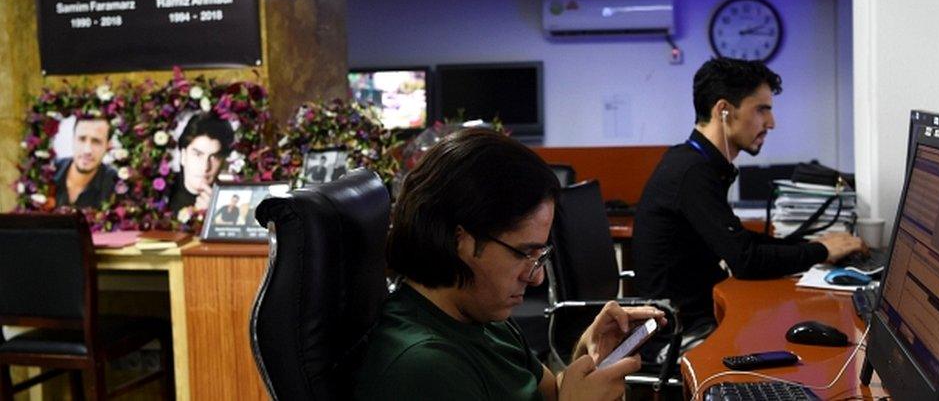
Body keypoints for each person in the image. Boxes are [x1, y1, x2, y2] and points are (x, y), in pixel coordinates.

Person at [354, 128, 666, 400]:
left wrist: (588, 360)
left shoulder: (484, 315)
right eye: (523, 253)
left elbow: (548, 394)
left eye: (540, 254)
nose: (537, 278)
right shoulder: (423, 367)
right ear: (459, 240)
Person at [632, 58, 866, 333]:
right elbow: (745, 260)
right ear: (724, 110)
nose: (771, 122)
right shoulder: (692, 172)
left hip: (699, 313)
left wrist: (812, 245)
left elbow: (739, 240)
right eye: (761, 110)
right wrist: (821, 250)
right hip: (678, 332)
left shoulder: (697, 163)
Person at [168, 112, 234, 214]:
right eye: (198, 154)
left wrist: (213, 215)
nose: (205, 167)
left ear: (223, 162)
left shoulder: (230, 199)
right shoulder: (161, 193)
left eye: (214, 157)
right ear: (183, 156)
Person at [53, 116, 118, 207]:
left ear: (108, 146)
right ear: (73, 139)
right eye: (82, 139)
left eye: (96, 141)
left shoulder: (116, 184)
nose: (87, 150)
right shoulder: (48, 171)